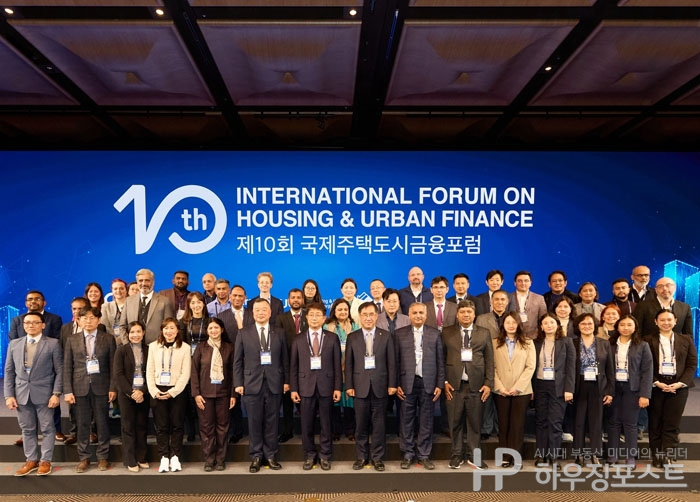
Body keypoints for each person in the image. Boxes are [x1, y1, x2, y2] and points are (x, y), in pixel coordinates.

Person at [234, 297, 289, 473]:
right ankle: (256, 456)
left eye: (264, 309)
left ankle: (270, 455)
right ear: (252, 313)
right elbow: (237, 361)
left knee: (272, 421)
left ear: (270, 312)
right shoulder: (243, 333)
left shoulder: (279, 333)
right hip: (251, 384)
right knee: (254, 422)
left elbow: (285, 359)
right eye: (257, 310)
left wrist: (286, 381)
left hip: (274, 383)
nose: (261, 313)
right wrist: (238, 383)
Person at [4, 311, 63, 476]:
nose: (31, 325)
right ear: (23, 325)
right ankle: (31, 460)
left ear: (43, 325)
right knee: (27, 429)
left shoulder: (53, 344)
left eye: (35, 322)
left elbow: (60, 371)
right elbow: (9, 371)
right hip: (21, 394)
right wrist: (9, 395)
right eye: (27, 322)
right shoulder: (14, 344)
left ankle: (45, 461)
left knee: (48, 428)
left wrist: (56, 393)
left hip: (45, 394)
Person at [63, 306, 116, 473]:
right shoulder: (72, 340)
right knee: (82, 424)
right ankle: (84, 457)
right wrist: (68, 390)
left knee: (102, 423)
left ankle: (103, 456)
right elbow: (67, 367)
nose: (88, 321)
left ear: (99, 320)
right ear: (78, 320)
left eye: (92, 318)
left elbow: (113, 366)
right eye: (84, 318)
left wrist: (113, 387)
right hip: (79, 387)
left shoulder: (108, 339)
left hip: (102, 386)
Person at [345, 301, 396, 472]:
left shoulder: (386, 336)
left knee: (379, 425)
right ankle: (361, 457)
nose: (368, 318)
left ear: (376, 316)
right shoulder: (352, 337)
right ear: (360, 317)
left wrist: (392, 384)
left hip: (380, 386)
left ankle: (377, 458)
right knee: (360, 425)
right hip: (359, 387)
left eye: (371, 314)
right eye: (365, 315)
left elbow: (391, 363)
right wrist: (349, 386)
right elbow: (349, 364)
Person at [442, 300, 493, 470]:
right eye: (462, 312)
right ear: (457, 315)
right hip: (453, 386)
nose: (466, 315)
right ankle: (456, 455)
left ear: (474, 314)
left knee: (474, 424)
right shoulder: (447, 332)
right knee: (455, 422)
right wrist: (444, 381)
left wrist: (488, 383)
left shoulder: (484, 333)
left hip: (476, 386)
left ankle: (474, 456)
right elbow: (440, 358)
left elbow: (490, 360)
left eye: (469, 312)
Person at [290, 302, 341, 471]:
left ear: (324, 318)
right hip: (305, 387)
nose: (314, 318)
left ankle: (325, 455)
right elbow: (293, 367)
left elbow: (337, 365)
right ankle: (309, 455)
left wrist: (337, 388)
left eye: (318, 315)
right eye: (311, 315)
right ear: (306, 317)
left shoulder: (332, 338)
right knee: (306, 424)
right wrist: (294, 389)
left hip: (327, 386)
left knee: (326, 424)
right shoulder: (298, 339)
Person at [644, 310, 697, 468]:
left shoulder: (686, 339)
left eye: (669, 320)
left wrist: (681, 383)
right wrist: (656, 382)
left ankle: (668, 454)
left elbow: (692, 364)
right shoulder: (647, 340)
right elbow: (644, 365)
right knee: (655, 422)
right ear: (656, 322)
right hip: (656, 386)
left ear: (675, 321)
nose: (666, 323)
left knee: (672, 422)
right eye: (662, 320)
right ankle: (657, 455)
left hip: (678, 386)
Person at [395, 302, 444, 470]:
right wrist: (396, 383)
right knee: (406, 420)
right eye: (414, 313)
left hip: (428, 383)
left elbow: (440, 361)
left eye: (421, 313)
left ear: (426, 315)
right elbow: (395, 362)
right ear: (409, 315)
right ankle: (408, 453)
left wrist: (439, 384)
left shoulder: (435, 334)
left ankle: (424, 454)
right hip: (406, 383)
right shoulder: (399, 334)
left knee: (426, 420)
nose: (418, 315)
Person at [606, 315, 652, 468]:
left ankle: (630, 456)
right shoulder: (609, 344)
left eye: (629, 325)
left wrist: (645, 394)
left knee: (630, 423)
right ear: (617, 327)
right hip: (613, 387)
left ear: (635, 327)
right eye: (622, 325)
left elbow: (647, 371)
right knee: (613, 422)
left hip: (633, 388)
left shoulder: (642, 345)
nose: (625, 328)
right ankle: (612, 454)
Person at [146, 317, 191, 473]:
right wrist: (154, 391)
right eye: (166, 328)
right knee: (161, 427)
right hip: (158, 391)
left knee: (177, 425)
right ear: (162, 330)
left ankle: (175, 456)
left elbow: (185, 373)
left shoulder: (185, 348)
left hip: (177, 392)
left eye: (172, 328)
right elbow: (149, 371)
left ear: (177, 330)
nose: (169, 331)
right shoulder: (153, 347)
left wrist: (172, 392)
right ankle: (164, 457)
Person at [492, 312, 536, 468]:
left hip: (521, 391)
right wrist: (500, 386)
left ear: (518, 324)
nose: (511, 325)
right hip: (501, 390)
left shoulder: (528, 343)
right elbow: (491, 367)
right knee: (503, 424)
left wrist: (518, 387)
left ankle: (516, 457)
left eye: (514, 322)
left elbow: (530, 367)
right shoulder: (494, 342)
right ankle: (505, 457)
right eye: (508, 322)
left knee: (517, 425)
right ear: (503, 325)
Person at [191, 318, 236, 471]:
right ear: (207, 331)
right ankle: (209, 460)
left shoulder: (229, 348)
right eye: (210, 328)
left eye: (216, 328)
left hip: (224, 394)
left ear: (222, 329)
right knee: (206, 428)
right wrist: (196, 394)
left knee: (222, 428)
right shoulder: (200, 348)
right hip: (204, 395)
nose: (213, 331)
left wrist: (233, 395)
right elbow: (194, 372)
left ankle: (220, 459)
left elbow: (233, 373)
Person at [572, 313, 614, 465]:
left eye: (590, 323)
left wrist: (609, 391)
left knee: (596, 422)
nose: (587, 326)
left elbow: (610, 370)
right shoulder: (572, 343)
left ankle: (595, 454)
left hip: (598, 385)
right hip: (578, 385)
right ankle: (578, 454)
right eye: (583, 324)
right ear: (578, 326)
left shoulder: (604, 343)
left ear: (595, 326)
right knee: (578, 421)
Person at [533, 313, 575, 467]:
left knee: (555, 422)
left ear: (557, 325)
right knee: (541, 421)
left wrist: (569, 389)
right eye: (545, 323)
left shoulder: (566, 342)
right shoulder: (536, 343)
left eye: (552, 322)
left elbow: (571, 367)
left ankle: (554, 456)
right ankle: (541, 455)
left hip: (559, 386)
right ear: (541, 326)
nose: (549, 325)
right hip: (540, 384)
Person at [215, 284, 251, 444]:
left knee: (251, 397)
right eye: (234, 295)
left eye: (240, 296)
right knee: (233, 396)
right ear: (230, 297)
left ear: (245, 298)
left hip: (251, 362)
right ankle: (236, 431)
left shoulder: (252, 314)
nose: (237, 298)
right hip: (230, 362)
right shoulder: (221, 316)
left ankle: (253, 429)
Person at [113, 321, 150, 472]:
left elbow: (152, 373)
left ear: (143, 333)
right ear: (128, 334)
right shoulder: (121, 350)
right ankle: (130, 459)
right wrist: (132, 392)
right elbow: (119, 374)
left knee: (142, 426)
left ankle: (141, 457)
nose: (135, 335)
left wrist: (142, 391)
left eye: (138, 331)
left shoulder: (149, 350)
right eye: (132, 332)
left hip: (144, 393)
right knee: (128, 427)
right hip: (127, 394)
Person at [275, 288, 308, 443]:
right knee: (287, 400)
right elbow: (279, 342)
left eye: (298, 297)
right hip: (287, 363)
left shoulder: (309, 316)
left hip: (307, 364)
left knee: (306, 400)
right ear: (288, 300)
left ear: (303, 300)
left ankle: (306, 431)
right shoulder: (281, 318)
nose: (295, 300)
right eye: (293, 297)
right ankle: (287, 431)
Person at [324, 298, 358, 441]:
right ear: (334, 311)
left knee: (350, 401)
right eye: (340, 309)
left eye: (345, 309)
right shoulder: (327, 327)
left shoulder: (355, 326)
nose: (343, 312)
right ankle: (335, 430)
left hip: (351, 369)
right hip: (333, 370)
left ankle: (350, 430)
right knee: (335, 402)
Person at [120, 268, 174, 344]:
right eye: (140, 280)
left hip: (156, 346)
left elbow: (169, 327)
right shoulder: (128, 301)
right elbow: (122, 326)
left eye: (147, 280)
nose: (144, 283)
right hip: (132, 346)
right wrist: (127, 344)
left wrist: (160, 345)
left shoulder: (164, 301)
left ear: (153, 282)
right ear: (137, 282)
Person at [507, 271, 547, 339]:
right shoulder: (507, 297)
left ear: (530, 283)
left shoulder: (539, 298)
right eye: (520, 281)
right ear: (515, 283)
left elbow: (543, 318)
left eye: (526, 281)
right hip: (512, 336)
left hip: (533, 337)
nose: (523, 283)